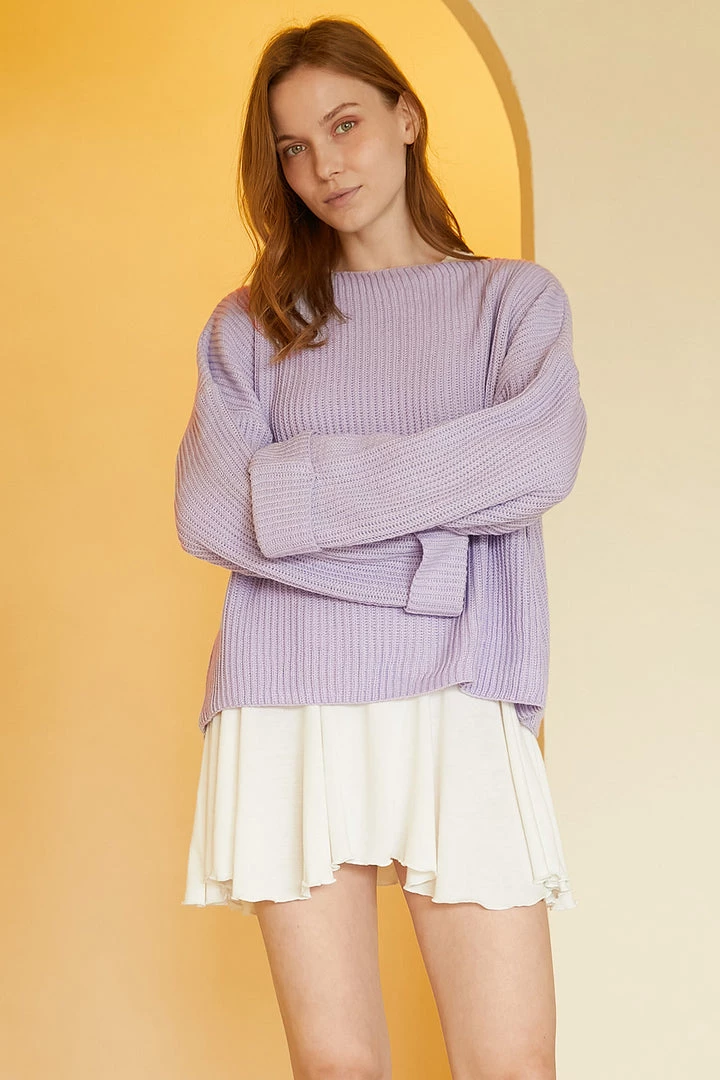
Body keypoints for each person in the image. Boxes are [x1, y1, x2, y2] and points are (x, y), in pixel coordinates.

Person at [174, 15, 587, 1080]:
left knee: (513, 1064)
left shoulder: (510, 303)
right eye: (293, 148)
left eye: (346, 124)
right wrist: (434, 561)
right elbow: (213, 511)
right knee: (337, 1069)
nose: (324, 165)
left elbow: (537, 459)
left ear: (407, 117)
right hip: (285, 698)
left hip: (462, 686)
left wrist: (299, 489)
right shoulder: (251, 326)